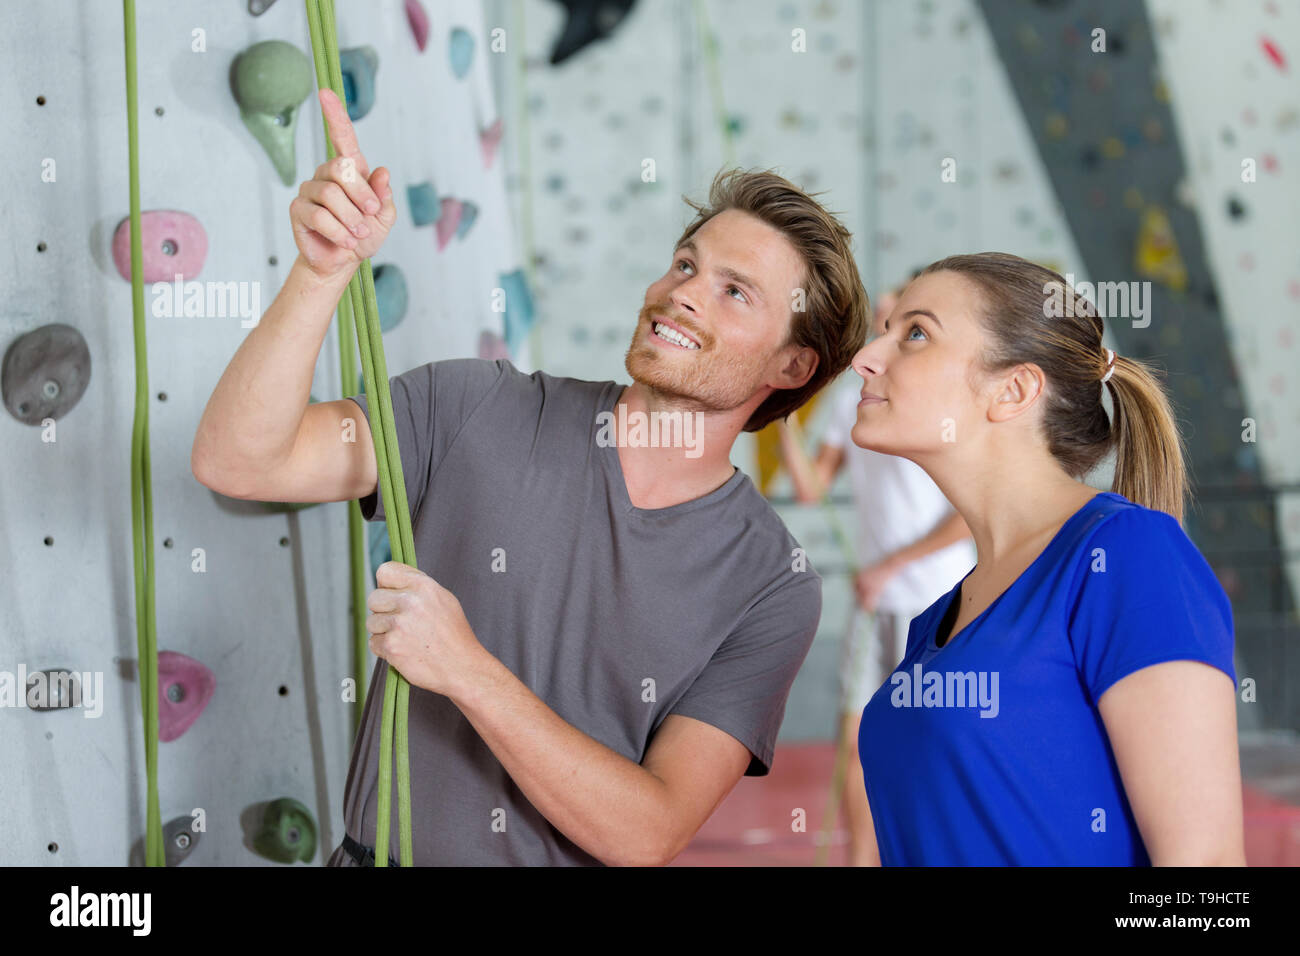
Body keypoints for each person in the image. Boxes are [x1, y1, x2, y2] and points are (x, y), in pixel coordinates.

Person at [190, 89, 871, 865]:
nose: (680, 290)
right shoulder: (475, 406)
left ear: (792, 364)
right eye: (686, 262)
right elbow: (238, 460)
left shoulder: (771, 583)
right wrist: (321, 273)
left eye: (733, 290)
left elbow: (647, 833)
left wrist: (466, 669)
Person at [850, 252, 1244, 865]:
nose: (865, 358)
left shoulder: (1129, 557)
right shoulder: (936, 623)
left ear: (1014, 390)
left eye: (916, 333)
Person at [775, 280, 975, 866]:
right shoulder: (851, 399)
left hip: (940, 600)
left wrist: (890, 565)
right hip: (876, 602)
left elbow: (968, 515)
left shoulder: (945, 405)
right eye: (884, 325)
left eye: (907, 327)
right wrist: (783, 418)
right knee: (858, 739)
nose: (886, 334)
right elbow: (811, 491)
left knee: (941, 742)